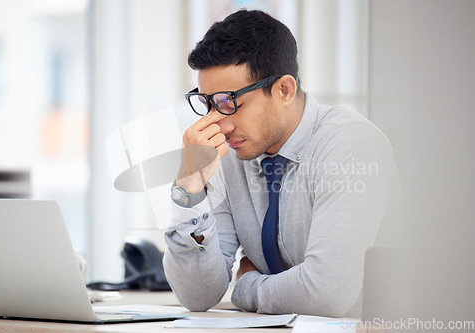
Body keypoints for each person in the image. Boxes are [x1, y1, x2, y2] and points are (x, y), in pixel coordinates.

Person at [163, 9, 400, 318]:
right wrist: (189, 185)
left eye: (228, 103)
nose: (218, 124)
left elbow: (327, 294)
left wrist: (246, 286)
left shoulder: (350, 144)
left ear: (284, 90)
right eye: (208, 104)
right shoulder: (231, 151)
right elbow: (198, 295)